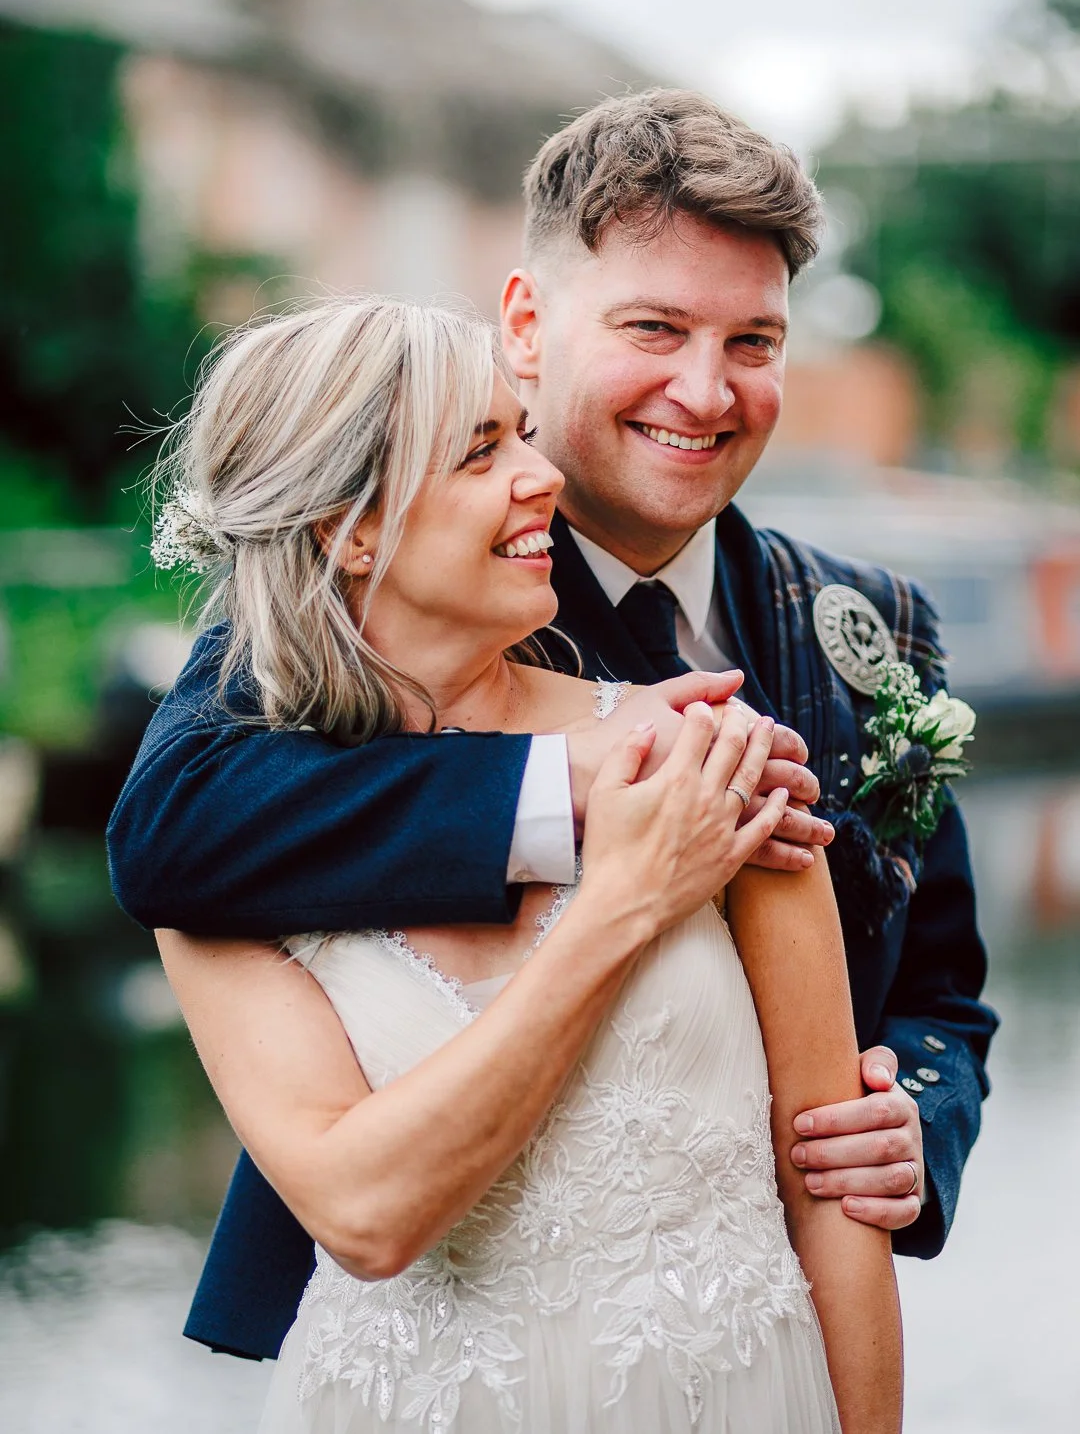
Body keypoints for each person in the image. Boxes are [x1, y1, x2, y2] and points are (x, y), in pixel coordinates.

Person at [107, 89, 997, 1366]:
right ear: (526, 321)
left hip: (756, 1315)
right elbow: (173, 825)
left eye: (755, 341)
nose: (707, 388)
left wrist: (915, 1111)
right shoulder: (414, 588)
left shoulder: (871, 622)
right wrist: (574, 776)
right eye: (654, 327)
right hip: (464, 1305)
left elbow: (939, 980)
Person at [153, 296, 902, 1432]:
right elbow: (367, 1212)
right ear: (349, 530)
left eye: (522, 433)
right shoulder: (215, 851)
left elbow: (831, 1194)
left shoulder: (705, 754)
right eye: (479, 451)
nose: (540, 476)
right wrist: (625, 906)